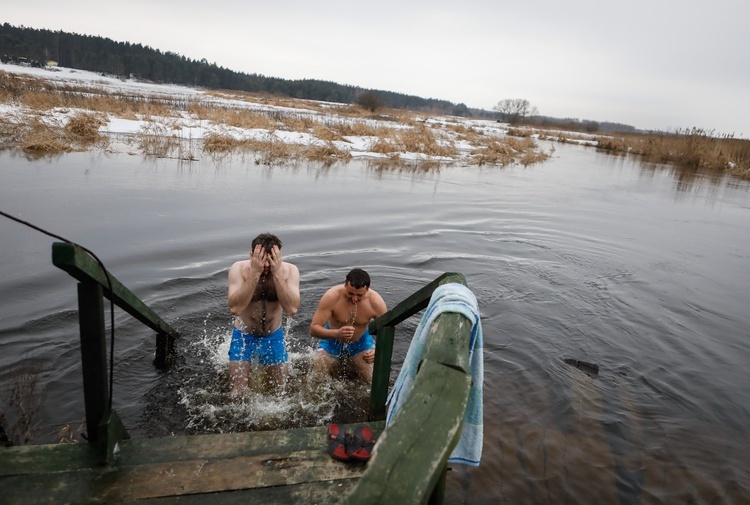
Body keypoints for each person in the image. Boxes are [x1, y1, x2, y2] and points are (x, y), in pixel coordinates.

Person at [227, 233, 300, 395]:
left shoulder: (290, 271)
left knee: (280, 393)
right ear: (251, 256)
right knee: (237, 395)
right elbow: (236, 309)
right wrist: (254, 273)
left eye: (271, 259)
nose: (266, 265)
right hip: (243, 337)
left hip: (273, 336)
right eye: (262, 259)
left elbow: (291, 310)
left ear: (279, 257)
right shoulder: (238, 269)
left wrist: (277, 275)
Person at [309, 268, 387, 383]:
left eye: (359, 295)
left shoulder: (376, 303)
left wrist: (377, 352)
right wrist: (336, 333)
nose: (354, 299)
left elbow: (386, 333)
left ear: (367, 289)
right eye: (350, 293)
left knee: (372, 380)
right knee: (317, 377)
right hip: (332, 339)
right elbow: (313, 329)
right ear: (345, 283)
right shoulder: (332, 296)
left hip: (360, 343)